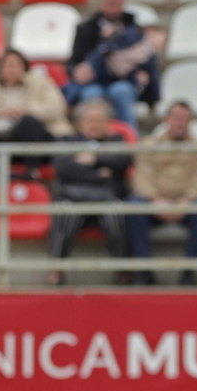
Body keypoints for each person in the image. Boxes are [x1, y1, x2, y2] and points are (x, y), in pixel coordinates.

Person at [47, 100, 132, 286]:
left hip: (107, 197)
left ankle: (122, 268)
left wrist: (94, 158)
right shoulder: (66, 141)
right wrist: (100, 173)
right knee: (64, 211)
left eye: (99, 120)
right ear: (79, 123)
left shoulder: (117, 141)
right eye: (89, 120)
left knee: (116, 213)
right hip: (73, 197)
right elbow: (63, 168)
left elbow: (123, 161)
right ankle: (57, 268)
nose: (94, 125)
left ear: (108, 123)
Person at [128, 101, 197, 285]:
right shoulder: (149, 145)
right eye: (176, 118)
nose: (180, 123)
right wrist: (156, 200)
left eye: (184, 118)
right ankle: (143, 271)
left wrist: (186, 201)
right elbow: (142, 177)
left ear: (190, 121)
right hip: (154, 203)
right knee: (134, 207)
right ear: (167, 119)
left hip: (187, 204)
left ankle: (189, 271)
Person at [63, 0, 157, 131]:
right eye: (109, 3)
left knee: (121, 91)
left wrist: (143, 74)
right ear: (101, 3)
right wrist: (77, 71)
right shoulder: (85, 29)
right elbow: (73, 62)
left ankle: (129, 142)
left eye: (117, 4)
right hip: (93, 82)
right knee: (92, 94)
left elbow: (147, 59)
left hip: (124, 80)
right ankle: (88, 139)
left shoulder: (135, 30)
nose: (112, 9)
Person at [0, 49, 72, 145]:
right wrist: (1, 112)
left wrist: (25, 111)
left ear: (24, 67)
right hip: (5, 137)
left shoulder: (39, 81)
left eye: (16, 65)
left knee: (28, 122)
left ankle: (32, 166)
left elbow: (57, 108)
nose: (11, 70)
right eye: (7, 65)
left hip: (45, 135)